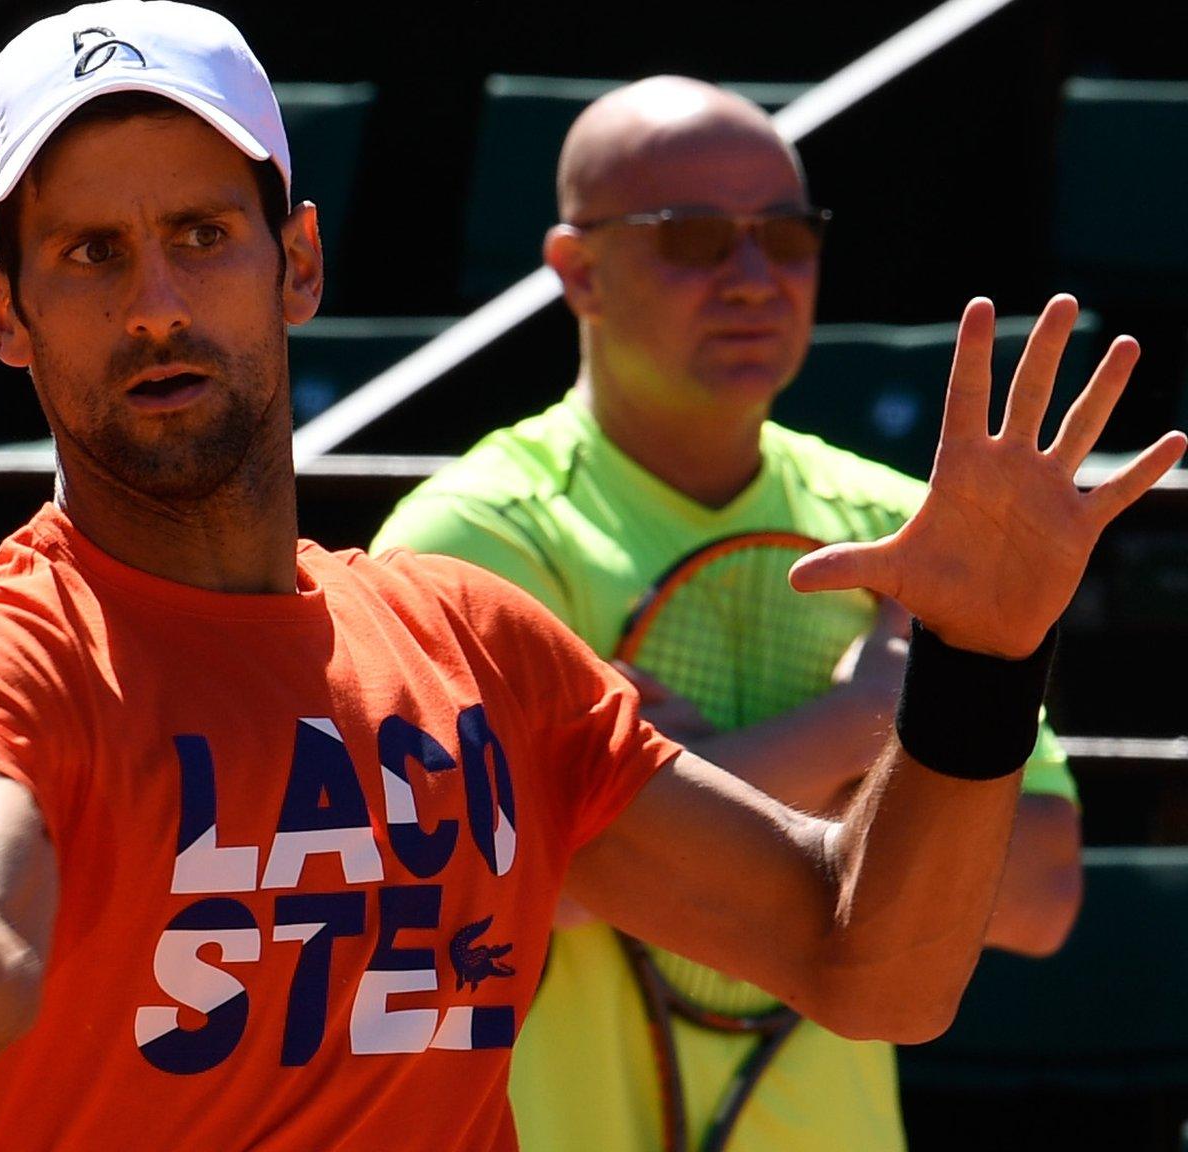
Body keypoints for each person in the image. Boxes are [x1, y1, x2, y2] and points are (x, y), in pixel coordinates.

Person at [0, 4, 1184, 1149]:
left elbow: (873, 970)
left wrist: (984, 665)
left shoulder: (484, 652)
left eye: (201, 234)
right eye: (91, 256)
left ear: (297, 260)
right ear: (3, 311)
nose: (159, 303)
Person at [371, 77, 1085, 1152]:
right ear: (576, 272)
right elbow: (506, 891)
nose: (751, 278)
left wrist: (664, 779)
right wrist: (859, 738)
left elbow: (1038, 890)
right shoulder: (466, 547)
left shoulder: (897, 525)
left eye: (785, 237)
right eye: (692, 237)